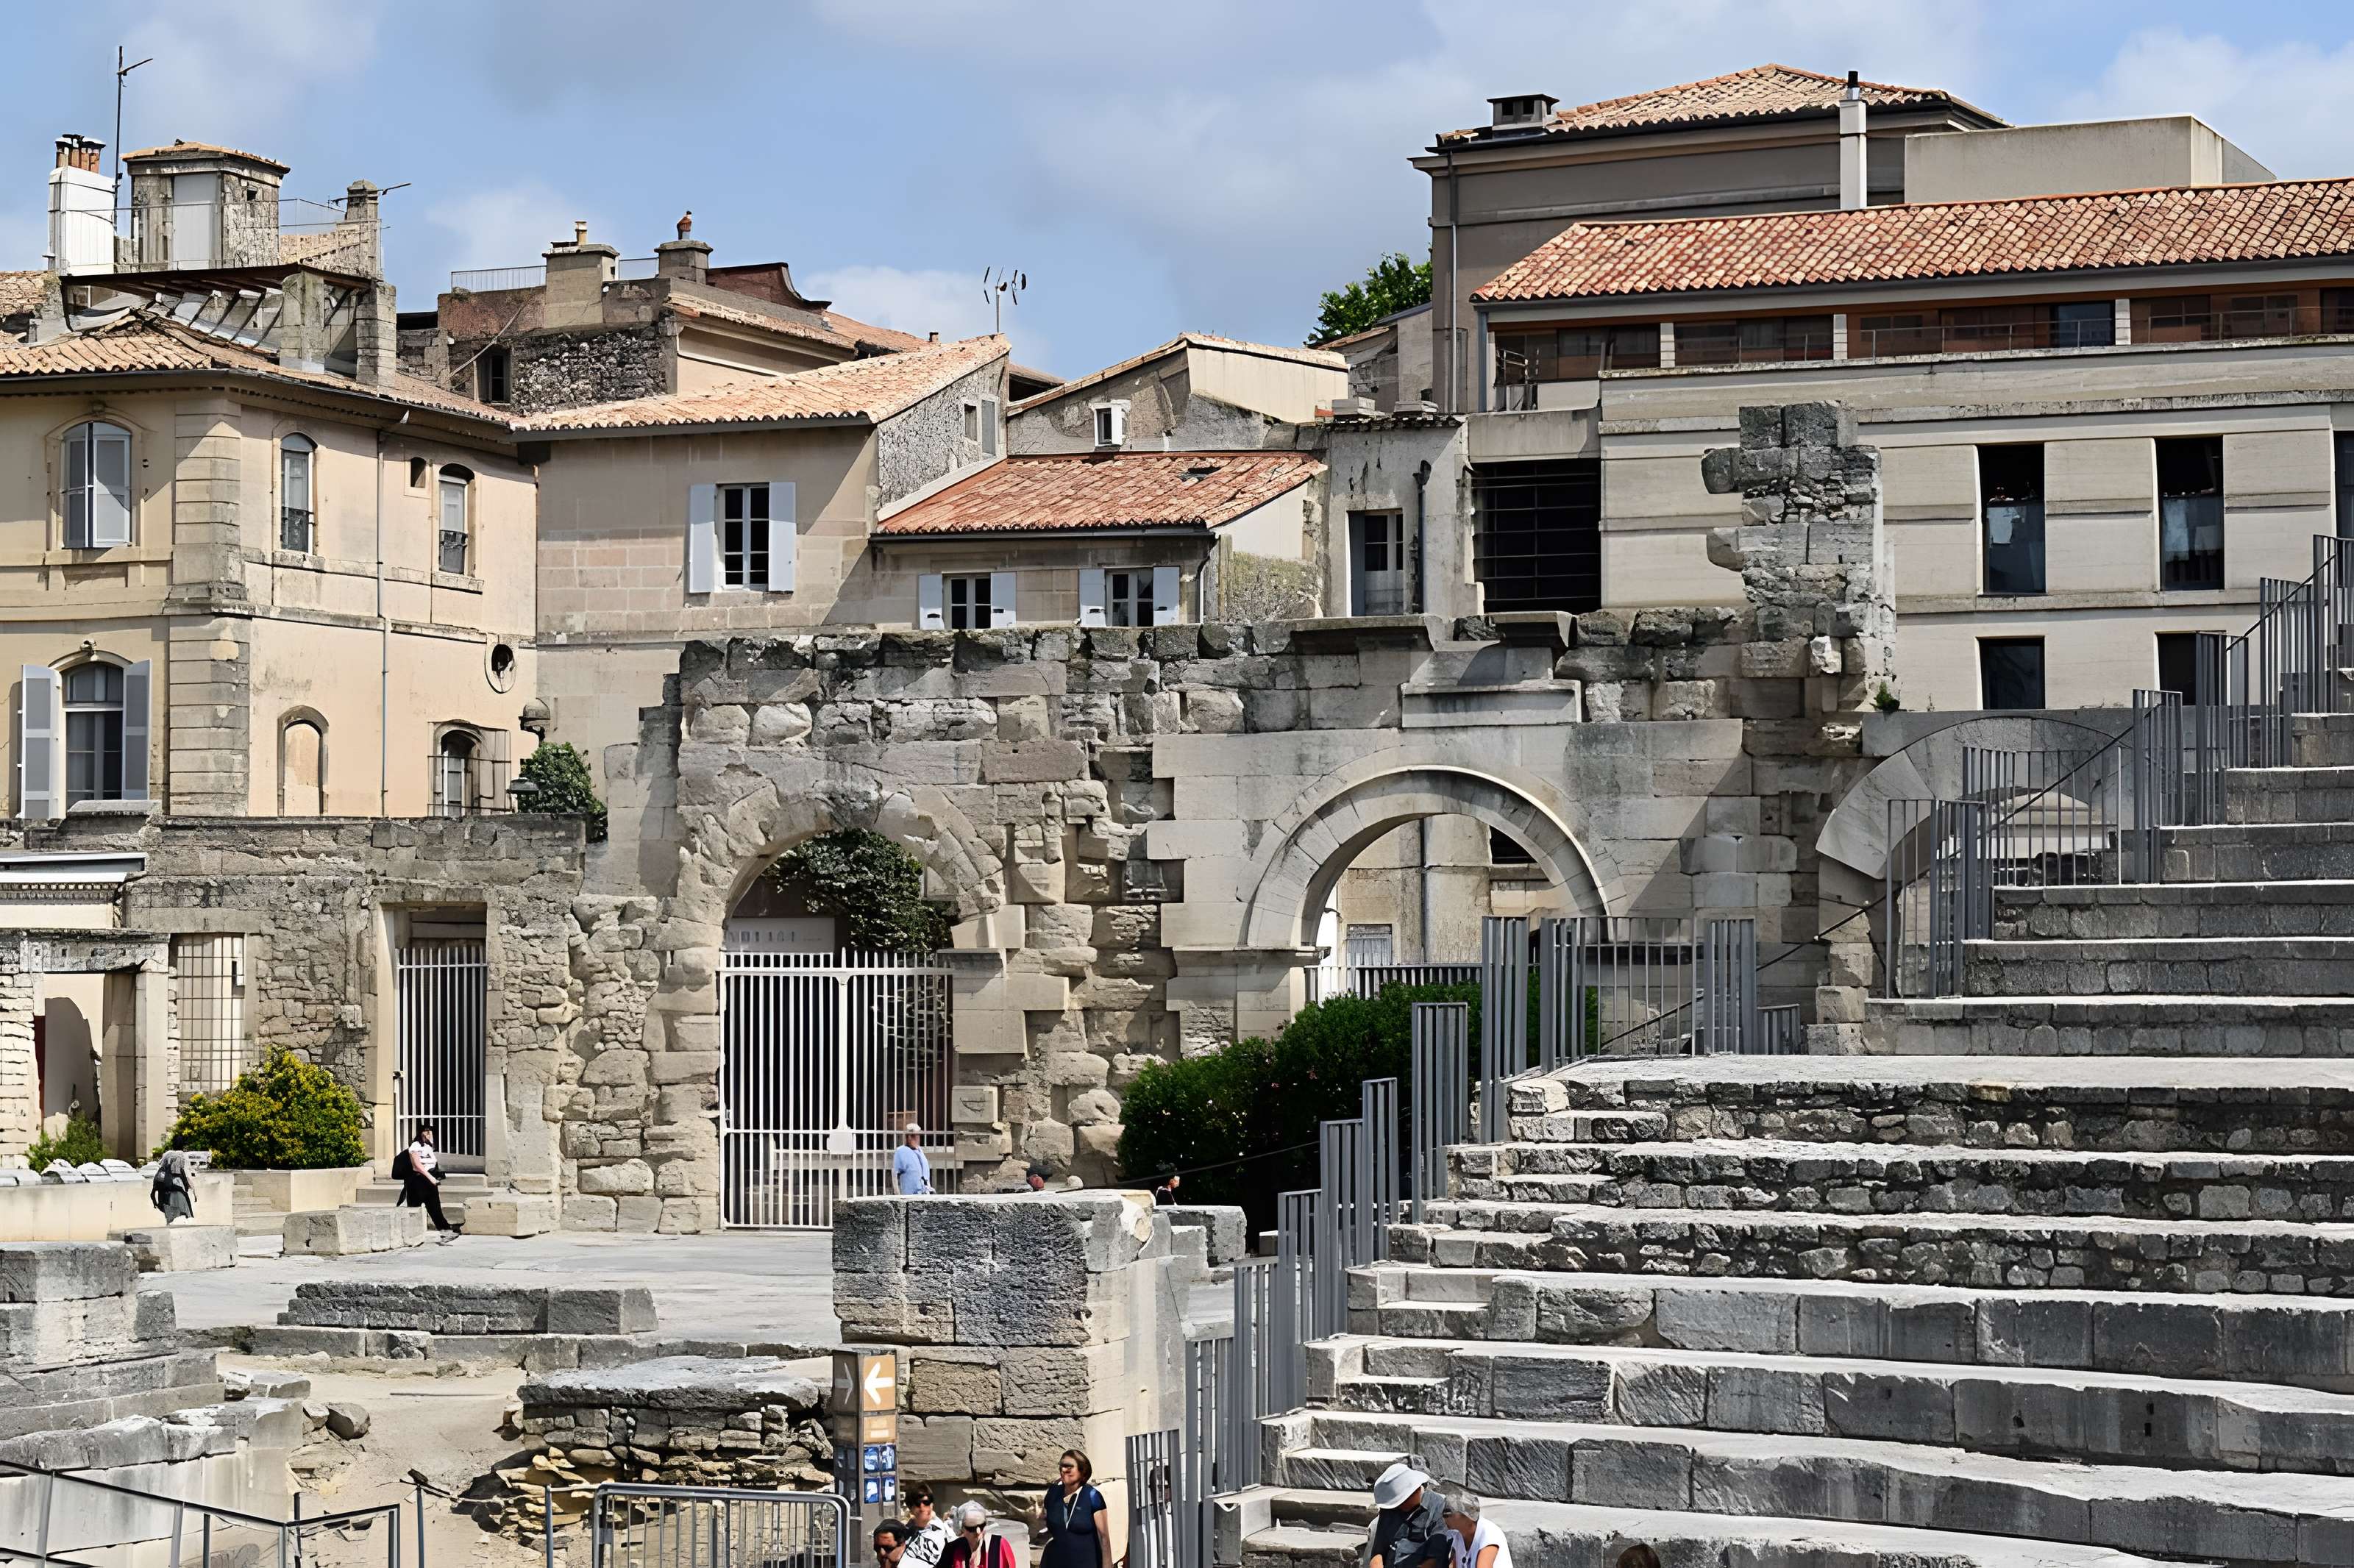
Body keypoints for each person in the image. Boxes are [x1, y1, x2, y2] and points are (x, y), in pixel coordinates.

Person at [1365, 1461, 1451, 1568]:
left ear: (1413, 1492)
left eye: (1400, 1502)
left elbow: (1435, 1558)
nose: (1398, 1507)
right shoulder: (1389, 1511)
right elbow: (1378, 1553)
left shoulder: (1438, 1506)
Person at [1038, 1450, 1110, 1568]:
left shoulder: (1092, 1497)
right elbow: (1045, 1522)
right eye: (1061, 1466)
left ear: (1083, 1472)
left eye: (1068, 1467)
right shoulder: (1053, 1493)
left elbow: (1104, 1538)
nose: (1063, 1470)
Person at [394, 1122, 461, 1235]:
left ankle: (446, 1230)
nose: (429, 1134)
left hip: (429, 1182)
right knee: (413, 1210)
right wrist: (431, 1178)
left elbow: (432, 1163)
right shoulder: (415, 1146)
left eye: (430, 1131)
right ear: (421, 1133)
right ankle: (408, 1234)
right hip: (417, 1181)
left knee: (435, 1209)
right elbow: (417, 1166)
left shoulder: (428, 1146)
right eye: (426, 1131)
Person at [1441, 1491, 1510, 1568]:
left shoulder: (1488, 1533)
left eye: (1447, 1514)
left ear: (1466, 1515)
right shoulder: (1458, 1535)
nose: (1444, 1518)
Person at [940, 1503, 1016, 1568]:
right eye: (972, 1528)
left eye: (982, 1526)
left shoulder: (1000, 1545)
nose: (978, 1531)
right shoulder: (951, 1549)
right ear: (962, 1528)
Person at [903, 1486, 953, 1567]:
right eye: (918, 1504)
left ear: (932, 1504)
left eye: (926, 1502)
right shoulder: (906, 1533)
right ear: (911, 1508)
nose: (923, 1507)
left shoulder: (942, 1532)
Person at [149, 1147, 196, 1222]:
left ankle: (174, 1221)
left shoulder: (172, 1171)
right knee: (172, 1215)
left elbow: (156, 1187)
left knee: (173, 1216)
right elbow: (160, 1186)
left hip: (170, 1199)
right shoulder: (165, 1171)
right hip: (169, 1198)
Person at [894, 1122, 933, 1196]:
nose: (918, 1139)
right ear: (909, 1137)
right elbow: (895, 1175)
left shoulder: (919, 1150)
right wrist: (897, 1195)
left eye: (918, 1136)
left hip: (925, 1193)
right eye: (916, 1136)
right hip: (911, 1195)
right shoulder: (901, 1151)